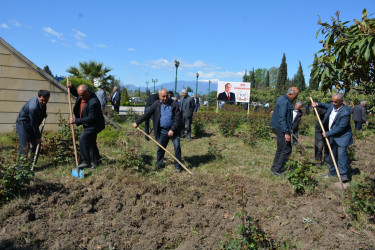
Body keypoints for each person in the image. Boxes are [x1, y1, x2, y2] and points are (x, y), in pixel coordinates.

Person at [133, 89, 183, 172]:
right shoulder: (156, 104)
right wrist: (137, 122)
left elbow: (178, 118)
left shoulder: (174, 104)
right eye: (163, 96)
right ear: (159, 96)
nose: (165, 98)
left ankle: (177, 166)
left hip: (174, 131)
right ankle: (159, 164)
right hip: (163, 130)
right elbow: (147, 114)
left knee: (177, 147)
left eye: (166, 96)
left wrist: (172, 129)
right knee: (160, 148)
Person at [312, 93, 353, 182]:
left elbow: (341, 128)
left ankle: (343, 175)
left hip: (342, 137)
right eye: (333, 101)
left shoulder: (345, 113)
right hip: (333, 136)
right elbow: (325, 105)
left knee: (341, 155)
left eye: (336, 102)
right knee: (332, 155)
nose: (333, 103)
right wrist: (317, 104)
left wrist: (328, 133)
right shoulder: (332, 106)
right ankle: (332, 172)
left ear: (341, 101)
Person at [67, 80, 105, 169]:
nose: (81, 97)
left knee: (83, 138)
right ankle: (97, 162)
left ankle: (86, 162)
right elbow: (77, 94)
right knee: (91, 143)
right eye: (80, 95)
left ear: (89, 92)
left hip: (95, 125)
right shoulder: (83, 95)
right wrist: (71, 87)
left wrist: (76, 120)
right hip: (89, 124)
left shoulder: (94, 102)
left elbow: (91, 118)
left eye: (82, 95)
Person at [270, 87, 299, 176]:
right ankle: (278, 169)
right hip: (281, 129)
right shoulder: (284, 102)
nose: (296, 98)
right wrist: (286, 132)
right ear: (290, 94)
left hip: (281, 128)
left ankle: (275, 167)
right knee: (286, 149)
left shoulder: (284, 100)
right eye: (295, 96)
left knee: (281, 148)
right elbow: (282, 118)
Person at [16, 90, 49, 163]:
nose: (44, 102)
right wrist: (37, 137)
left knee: (37, 145)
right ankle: (21, 170)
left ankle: (32, 165)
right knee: (25, 146)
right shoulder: (33, 107)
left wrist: (43, 115)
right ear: (39, 97)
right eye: (42, 100)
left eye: (46, 100)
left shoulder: (43, 102)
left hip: (31, 124)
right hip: (23, 124)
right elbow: (34, 124)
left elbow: (42, 110)